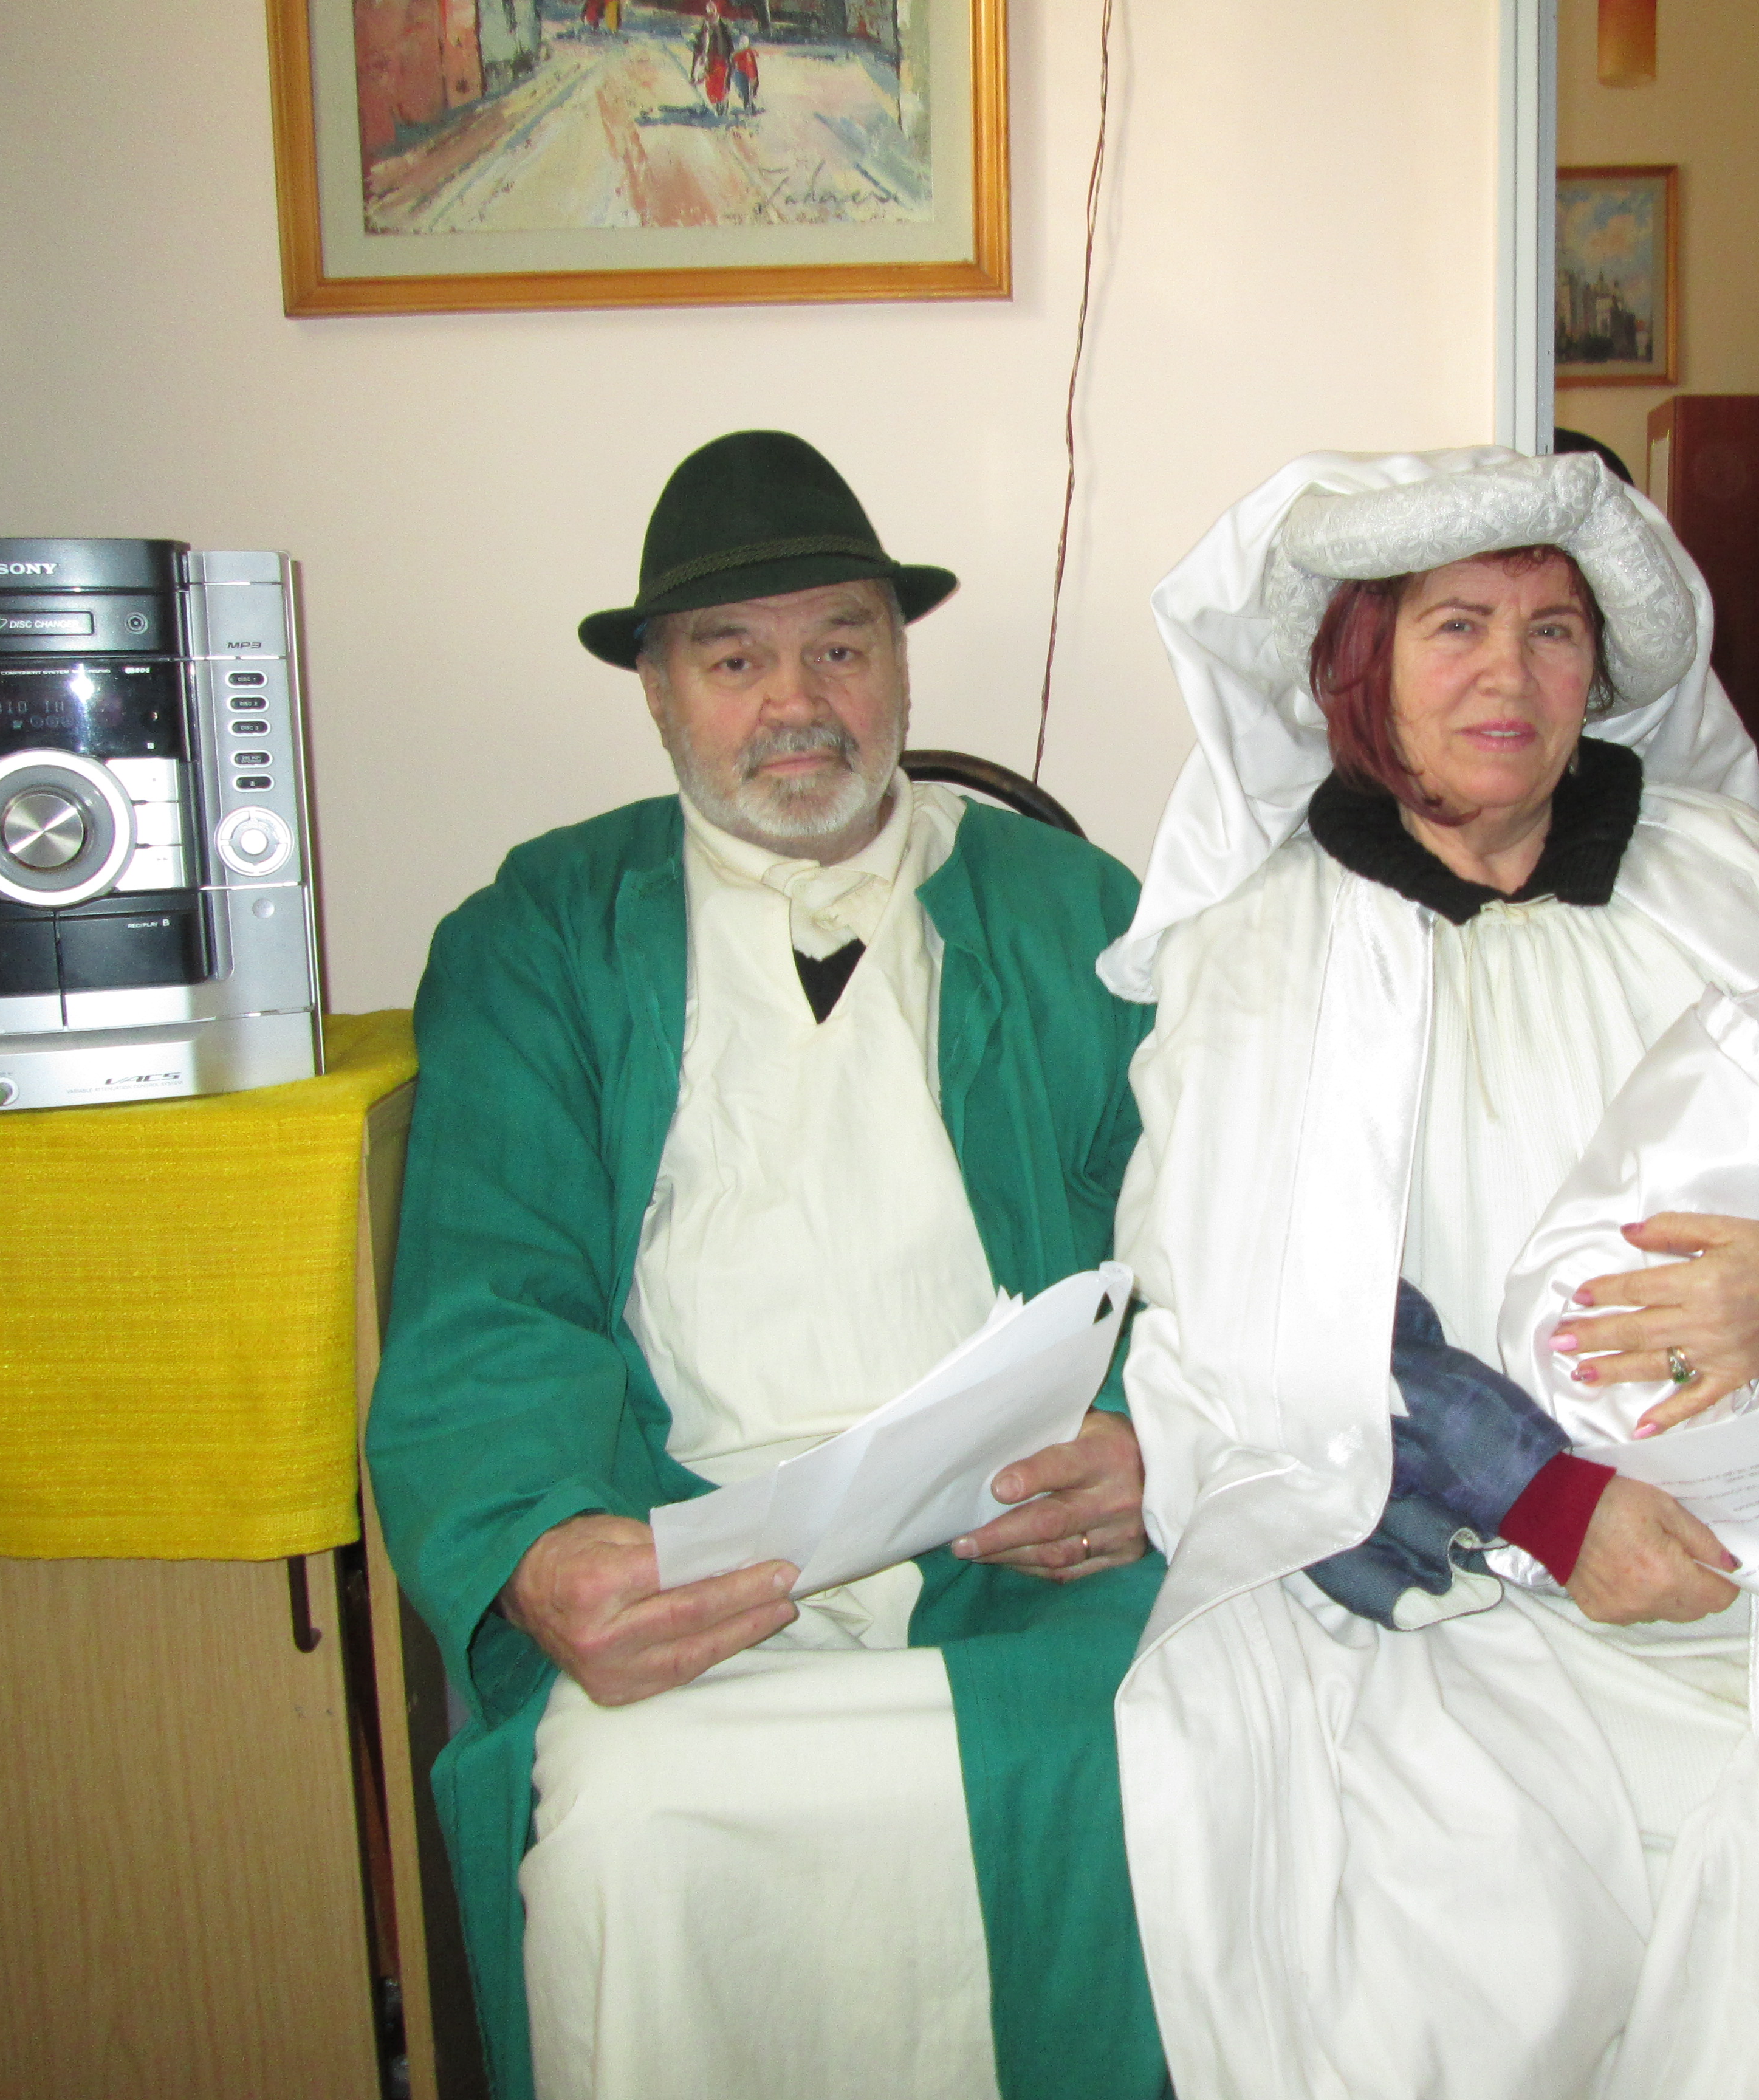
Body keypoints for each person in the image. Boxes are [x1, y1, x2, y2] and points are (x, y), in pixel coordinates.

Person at [1102, 446, 1759, 2100]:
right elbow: (1253, 1297)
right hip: (1446, 1571)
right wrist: (1554, 1503)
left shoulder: (1724, 876)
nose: (1511, 674)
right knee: (1468, 1923)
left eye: (1552, 632)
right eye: (1457, 627)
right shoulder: (1264, 936)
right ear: (1361, 669)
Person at [364, 430, 1168, 2100]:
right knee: (626, 1831)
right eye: (734, 660)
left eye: (841, 648)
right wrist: (536, 1550)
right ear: (657, 693)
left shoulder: (1075, 911)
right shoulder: (540, 934)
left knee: (1178, 1764)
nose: (797, 703)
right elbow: (486, 1293)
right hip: (689, 1561)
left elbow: (1207, 1238)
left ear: (899, 665)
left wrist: (1155, 1447)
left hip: (1019, 1561)